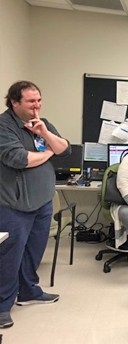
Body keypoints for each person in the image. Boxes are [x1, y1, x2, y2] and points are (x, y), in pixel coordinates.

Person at [0, 81, 71, 328]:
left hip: (42, 201)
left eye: (39, 100)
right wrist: (49, 152)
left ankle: (28, 292)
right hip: (13, 205)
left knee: (34, 252)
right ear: (14, 102)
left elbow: (64, 148)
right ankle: (1, 306)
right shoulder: (3, 125)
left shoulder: (41, 122)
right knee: (9, 256)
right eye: (31, 102)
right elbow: (20, 159)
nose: (36, 106)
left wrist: (45, 134)